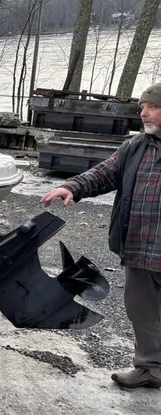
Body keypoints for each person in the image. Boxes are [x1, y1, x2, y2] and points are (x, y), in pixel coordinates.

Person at [41, 83, 161, 390]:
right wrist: (72, 187)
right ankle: (151, 368)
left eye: (151, 106)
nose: (143, 113)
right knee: (141, 309)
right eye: (142, 106)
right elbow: (106, 172)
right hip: (140, 247)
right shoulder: (136, 146)